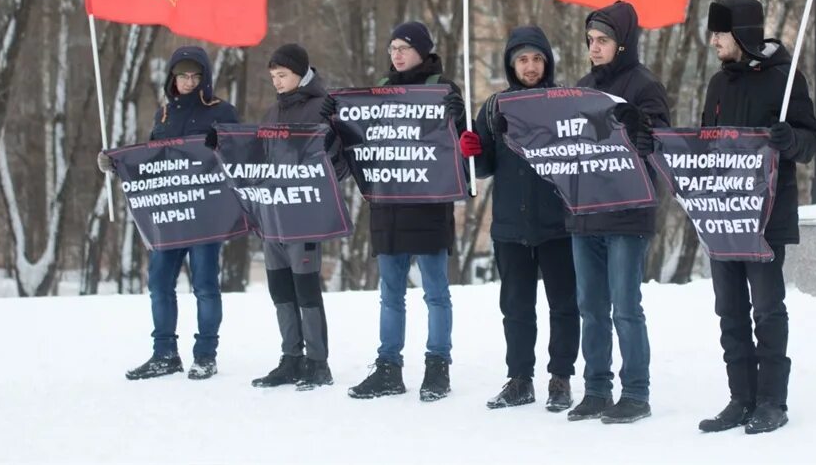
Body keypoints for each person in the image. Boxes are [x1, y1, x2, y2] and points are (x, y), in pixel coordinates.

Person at [697, 0, 816, 435]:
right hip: (724, 216)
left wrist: (790, 140)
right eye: (713, 32)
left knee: (767, 309)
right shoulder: (717, 84)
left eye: (720, 32)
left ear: (743, 36)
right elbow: (702, 145)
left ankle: (772, 400)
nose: (713, 40)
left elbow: (810, 142)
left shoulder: (785, 80)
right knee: (729, 310)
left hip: (767, 219)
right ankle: (740, 397)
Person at [334, 21, 466, 402]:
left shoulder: (442, 89)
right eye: (392, 47)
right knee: (390, 292)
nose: (396, 54)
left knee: (435, 292)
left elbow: (460, 146)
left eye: (404, 47)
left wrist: (458, 117)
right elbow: (359, 143)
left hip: (428, 206)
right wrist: (334, 117)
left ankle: (437, 367)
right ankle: (388, 367)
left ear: (422, 51)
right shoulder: (381, 90)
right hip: (388, 206)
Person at [97, 46, 238, 381]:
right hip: (169, 216)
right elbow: (149, 162)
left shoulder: (223, 111)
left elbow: (238, 153)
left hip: (206, 215)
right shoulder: (163, 115)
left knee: (205, 285)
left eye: (195, 76)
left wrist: (223, 146)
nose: (189, 82)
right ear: (173, 77)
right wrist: (115, 163)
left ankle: (205, 355)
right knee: (159, 282)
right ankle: (165, 354)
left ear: (204, 78)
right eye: (183, 75)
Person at [459, 26, 580, 412]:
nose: (530, 66)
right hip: (510, 225)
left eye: (537, 58)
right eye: (523, 60)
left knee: (563, 304)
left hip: (558, 223)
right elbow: (484, 169)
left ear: (547, 62)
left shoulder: (564, 103)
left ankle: (560, 378)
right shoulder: (495, 107)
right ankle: (520, 379)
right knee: (515, 307)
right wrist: (473, 152)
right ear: (512, 65)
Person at [566, 1, 670, 424]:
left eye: (603, 40)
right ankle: (595, 389)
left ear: (622, 43)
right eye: (590, 40)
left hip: (628, 214)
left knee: (625, 306)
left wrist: (643, 131)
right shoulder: (580, 86)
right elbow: (565, 143)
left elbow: (661, 144)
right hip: (585, 211)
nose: (594, 47)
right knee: (590, 306)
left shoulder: (646, 86)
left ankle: (636, 392)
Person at [246, 43, 349, 392]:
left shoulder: (323, 108)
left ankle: (318, 362)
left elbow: (339, 160)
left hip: (304, 216)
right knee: (280, 291)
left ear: (301, 74)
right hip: (273, 216)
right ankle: (291, 357)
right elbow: (256, 158)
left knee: (305, 290)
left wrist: (330, 152)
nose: (277, 82)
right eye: (273, 76)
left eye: (283, 75)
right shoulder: (272, 114)